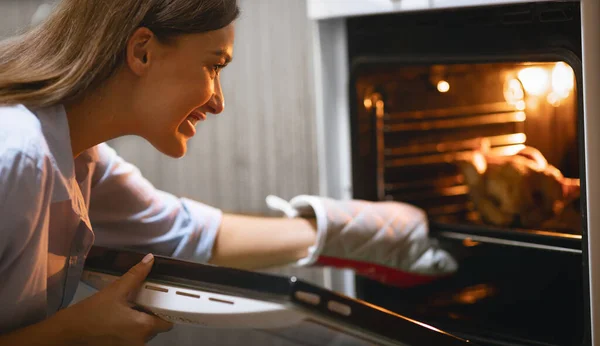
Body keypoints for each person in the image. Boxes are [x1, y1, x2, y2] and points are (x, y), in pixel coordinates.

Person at [0, 0, 457, 344]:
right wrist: (71, 334)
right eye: (213, 66)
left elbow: (186, 232)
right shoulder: (18, 154)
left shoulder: (81, 154)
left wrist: (358, 230)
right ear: (142, 51)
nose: (219, 101)